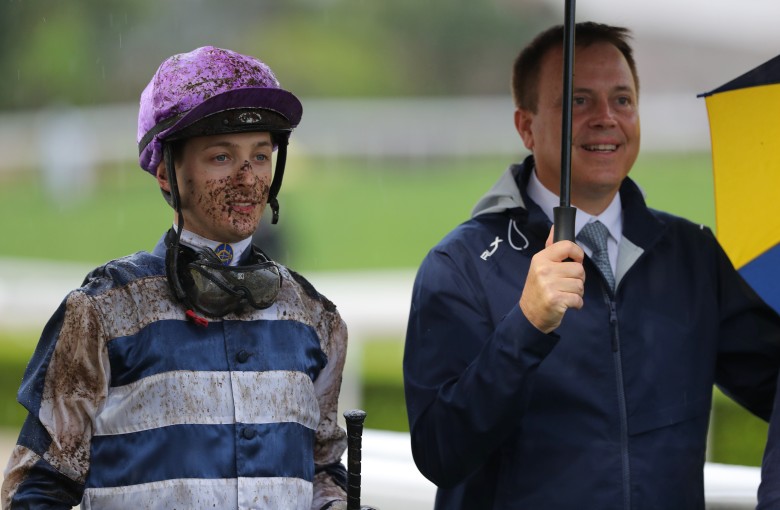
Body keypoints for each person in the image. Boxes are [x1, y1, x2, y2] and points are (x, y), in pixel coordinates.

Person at [403, 22, 780, 509]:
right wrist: (527, 327)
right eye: (578, 101)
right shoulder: (460, 266)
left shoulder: (692, 256)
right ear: (526, 125)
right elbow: (440, 451)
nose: (606, 118)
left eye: (622, 100)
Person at [2, 46, 355, 510]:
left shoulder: (316, 320)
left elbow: (321, 474)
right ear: (166, 175)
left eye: (261, 155)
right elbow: (37, 490)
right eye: (222, 157)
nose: (249, 180)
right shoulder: (103, 312)